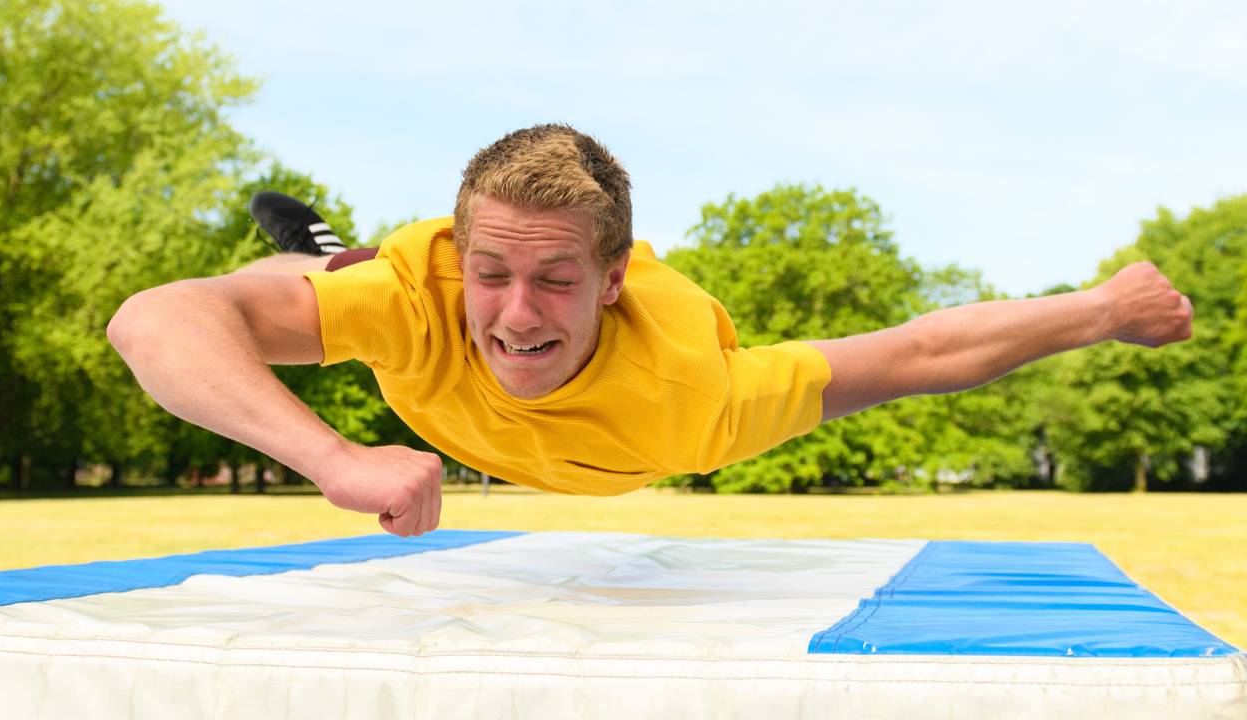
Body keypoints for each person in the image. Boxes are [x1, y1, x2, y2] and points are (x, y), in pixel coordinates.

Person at [107, 124, 1194, 537]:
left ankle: (315, 253)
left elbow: (912, 352)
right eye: (491, 273)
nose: (517, 315)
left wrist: (1101, 309)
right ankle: (314, 251)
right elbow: (153, 321)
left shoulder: (693, 390)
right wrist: (332, 458)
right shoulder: (422, 290)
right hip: (396, 319)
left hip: (633, 432)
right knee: (288, 286)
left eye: (555, 281)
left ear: (616, 278)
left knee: (328, 282)